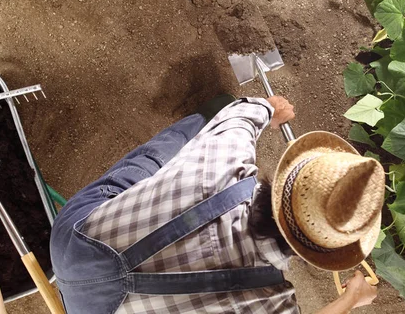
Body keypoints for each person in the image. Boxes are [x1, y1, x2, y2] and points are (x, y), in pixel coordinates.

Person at [50, 95, 385, 314]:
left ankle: (199, 117)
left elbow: (242, 113)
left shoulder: (226, 156)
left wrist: (271, 110)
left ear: (290, 173)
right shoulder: (269, 303)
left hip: (71, 245)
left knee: (152, 162)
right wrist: (351, 298)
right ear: (322, 254)